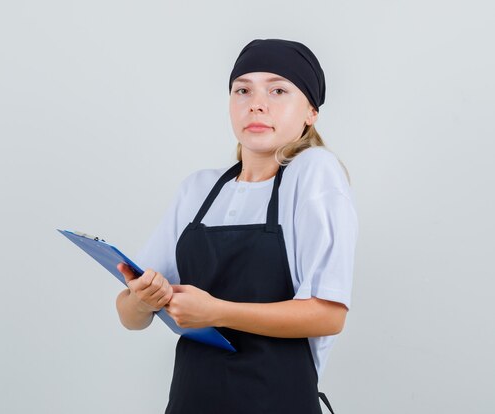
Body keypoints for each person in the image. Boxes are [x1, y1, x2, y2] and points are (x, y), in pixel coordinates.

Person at [115, 39, 358, 414]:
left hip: (276, 402)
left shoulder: (313, 173)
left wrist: (217, 311)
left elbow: (328, 314)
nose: (256, 103)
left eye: (278, 90)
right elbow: (130, 318)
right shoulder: (198, 189)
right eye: (242, 90)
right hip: (190, 403)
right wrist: (142, 299)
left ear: (311, 111)